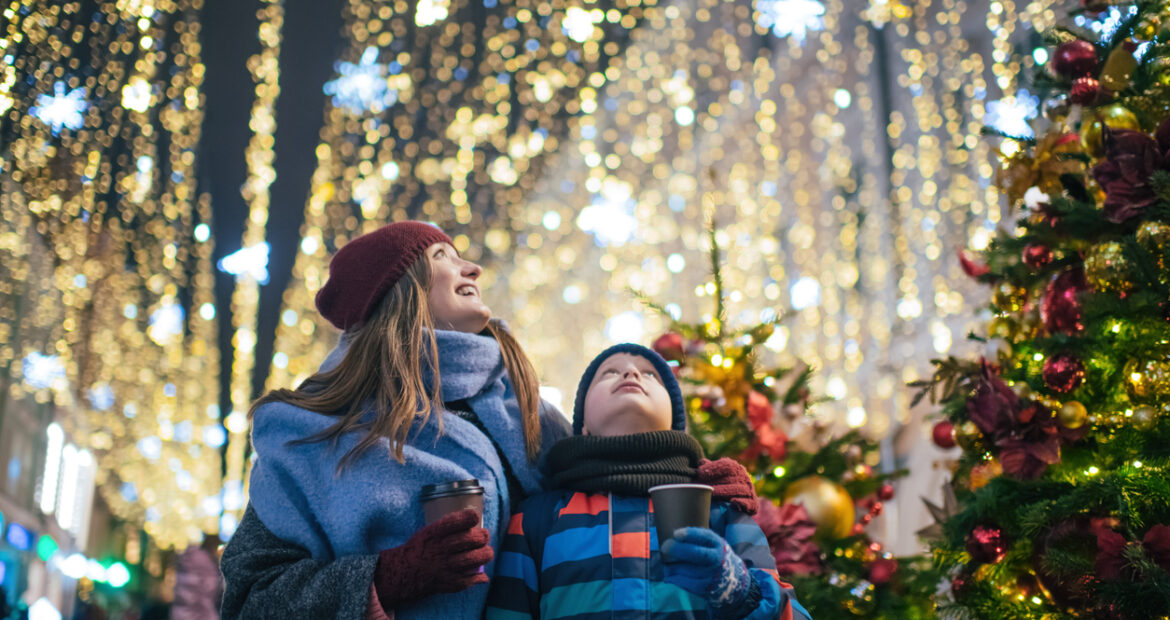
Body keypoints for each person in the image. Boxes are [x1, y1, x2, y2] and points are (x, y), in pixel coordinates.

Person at [219, 221, 759, 619]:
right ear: (396, 288)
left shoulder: (527, 416)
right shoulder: (316, 432)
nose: (472, 268)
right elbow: (250, 597)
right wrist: (383, 580)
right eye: (442, 256)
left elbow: (602, 490)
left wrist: (696, 477)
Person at [486, 344, 811, 620]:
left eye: (651, 375)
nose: (631, 373)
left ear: (674, 425)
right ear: (582, 424)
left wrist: (739, 591)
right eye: (610, 372)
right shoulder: (535, 519)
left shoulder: (721, 510)